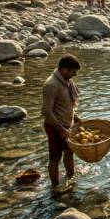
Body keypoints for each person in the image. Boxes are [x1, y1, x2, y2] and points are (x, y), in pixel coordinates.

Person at [41, 54, 81, 189]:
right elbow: (46, 112)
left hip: (67, 125)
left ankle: (71, 178)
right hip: (55, 127)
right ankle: (55, 187)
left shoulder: (67, 82)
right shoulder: (51, 85)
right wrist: (61, 129)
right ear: (64, 70)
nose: (74, 75)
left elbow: (66, 104)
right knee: (55, 158)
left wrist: (74, 117)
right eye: (73, 72)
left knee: (69, 153)